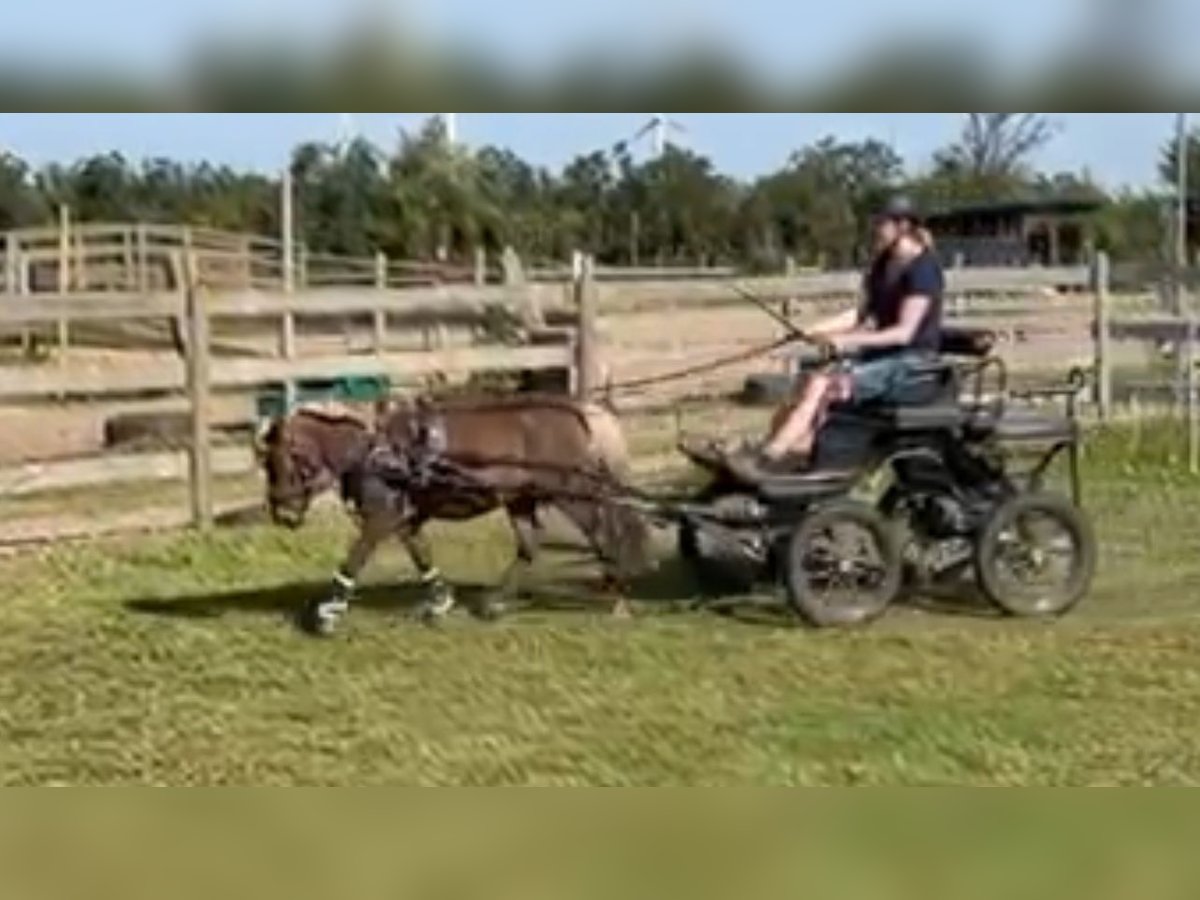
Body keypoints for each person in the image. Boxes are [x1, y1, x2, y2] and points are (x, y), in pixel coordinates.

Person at [728, 196, 945, 481]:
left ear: (904, 226)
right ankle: (781, 451)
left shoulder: (923, 270)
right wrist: (815, 331)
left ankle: (772, 459)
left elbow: (904, 333)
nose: (875, 228)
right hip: (881, 359)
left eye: (881, 222)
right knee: (807, 380)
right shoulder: (882, 265)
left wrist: (845, 342)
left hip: (912, 365)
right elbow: (861, 317)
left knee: (823, 385)